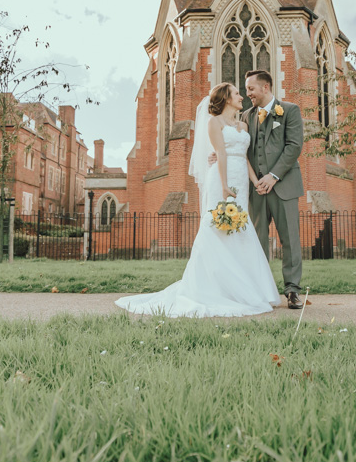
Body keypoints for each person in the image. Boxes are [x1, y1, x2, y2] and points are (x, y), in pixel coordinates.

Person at [114, 83, 281, 318]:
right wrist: (223, 186)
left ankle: (245, 289)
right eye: (236, 93)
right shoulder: (214, 123)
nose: (241, 96)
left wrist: (255, 181)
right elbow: (220, 153)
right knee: (217, 228)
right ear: (225, 98)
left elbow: (243, 157)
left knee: (240, 228)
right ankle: (213, 287)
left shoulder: (242, 124)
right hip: (221, 179)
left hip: (241, 180)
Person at [242, 70, 305, 309]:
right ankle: (260, 289)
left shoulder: (289, 110)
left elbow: (294, 146)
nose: (248, 94)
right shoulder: (246, 116)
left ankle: (292, 291)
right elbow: (240, 147)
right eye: (247, 90)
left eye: (251, 89)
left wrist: (273, 176)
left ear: (265, 87)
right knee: (256, 241)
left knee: (290, 240)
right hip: (256, 189)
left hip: (284, 188)